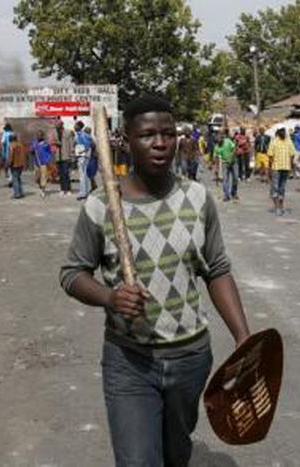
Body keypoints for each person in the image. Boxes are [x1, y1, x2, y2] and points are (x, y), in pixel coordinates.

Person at [59, 95, 250, 467]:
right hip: (129, 361)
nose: (160, 142)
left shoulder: (197, 198)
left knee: (176, 455)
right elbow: (72, 274)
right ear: (126, 141)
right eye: (147, 135)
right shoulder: (99, 207)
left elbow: (217, 269)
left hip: (191, 358)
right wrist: (110, 297)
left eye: (167, 133)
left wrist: (243, 338)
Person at [267, 127, 296, 216]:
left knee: (282, 188)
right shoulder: (274, 142)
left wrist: (291, 166)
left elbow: (292, 154)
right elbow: (270, 156)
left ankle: (281, 206)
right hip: (276, 168)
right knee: (275, 187)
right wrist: (269, 169)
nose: (284, 134)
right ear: (279, 133)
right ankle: (277, 207)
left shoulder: (288, 141)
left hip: (286, 168)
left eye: (285, 132)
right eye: (282, 132)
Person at [51, 120, 74, 195]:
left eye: (58, 125)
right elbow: (52, 141)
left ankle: (68, 189)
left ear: (62, 125)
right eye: (56, 125)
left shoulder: (67, 132)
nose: (57, 126)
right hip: (58, 156)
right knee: (61, 174)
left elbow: (71, 143)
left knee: (66, 173)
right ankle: (62, 189)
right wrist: (55, 142)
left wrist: (71, 154)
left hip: (66, 155)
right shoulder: (54, 132)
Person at [214, 129, 238, 201]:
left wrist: (231, 156)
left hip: (233, 162)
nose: (219, 142)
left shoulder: (228, 141)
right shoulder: (217, 147)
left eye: (220, 140)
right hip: (225, 163)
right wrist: (216, 169)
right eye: (218, 141)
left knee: (235, 178)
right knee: (225, 179)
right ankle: (226, 195)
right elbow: (216, 159)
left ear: (222, 138)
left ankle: (233, 193)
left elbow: (234, 148)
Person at [74, 121, 93, 200]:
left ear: (79, 126)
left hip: (83, 157)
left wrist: (82, 152)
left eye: (76, 125)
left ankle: (83, 193)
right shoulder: (79, 135)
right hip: (82, 156)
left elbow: (87, 146)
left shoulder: (82, 135)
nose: (74, 127)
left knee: (82, 175)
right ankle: (86, 191)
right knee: (85, 175)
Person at [31, 129, 53, 197]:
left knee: (43, 176)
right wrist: (32, 150)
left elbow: (50, 152)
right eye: (38, 135)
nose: (39, 136)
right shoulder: (34, 143)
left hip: (43, 163)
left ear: (42, 136)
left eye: (40, 135)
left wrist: (47, 159)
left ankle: (43, 190)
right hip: (36, 162)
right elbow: (31, 151)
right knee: (37, 177)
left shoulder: (46, 144)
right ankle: (40, 186)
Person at [7, 133, 27, 199]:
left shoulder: (11, 145)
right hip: (21, 164)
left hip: (14, 164)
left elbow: (11, 156)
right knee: (18, 178)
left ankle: (17, 193)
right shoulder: (20, 145)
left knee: (15, 179)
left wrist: (9, 163)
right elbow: (24, 154)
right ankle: (21, 192)